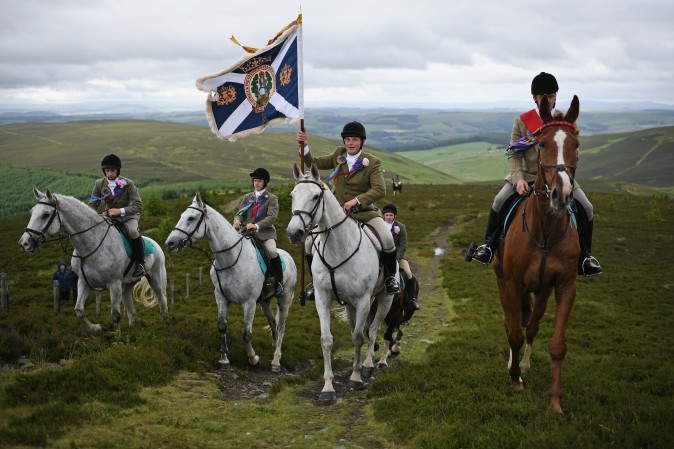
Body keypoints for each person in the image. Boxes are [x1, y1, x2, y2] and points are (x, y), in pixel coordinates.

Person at [466, 72, 603, 276]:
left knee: (588, 208)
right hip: (527, 177)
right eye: (541, 95)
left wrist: (563, 175)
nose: (546, 99)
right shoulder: (522, 122)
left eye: (550, 95)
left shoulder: (566, 123)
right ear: (534, 98)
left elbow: (573, 153)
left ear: (555, 96)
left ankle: (585, 257)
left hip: (558, 176)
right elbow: (513, 153)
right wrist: (518, 178)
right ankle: (488, 247)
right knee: (498, 201)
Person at [296, 121, 400, 294]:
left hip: (364, 213)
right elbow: (314, 163)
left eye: (355, 140)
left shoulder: (372, 162)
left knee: (387, 239)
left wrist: (357, 200)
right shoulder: (339, 155)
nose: (350, 143)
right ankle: (316, 283)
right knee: (308, 243)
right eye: (347, 139)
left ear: (362, 142)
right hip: (337, 213)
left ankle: (390, 279)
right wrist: (304, 145)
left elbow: (379, 190)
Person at [88, 154, 146, 278]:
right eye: (107, 170)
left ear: (118, 170)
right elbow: (92, 204)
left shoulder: (128, 184)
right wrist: (93, 216)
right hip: (109, 215)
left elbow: (138, 205)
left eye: (112, 170)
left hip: (128, 215)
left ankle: (141, 263)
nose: (110, 174)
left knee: (133, 231)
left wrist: (120, 211)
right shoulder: (99, 184)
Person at [233, 168, 284, 296]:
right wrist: (237, 221)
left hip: (265, 234)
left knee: (272, 251)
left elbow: (271, 217)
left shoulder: (272, 198)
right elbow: (240, 213)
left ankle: (278, 281)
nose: (256, 183)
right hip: (246, 233)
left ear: (265, 182)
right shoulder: (247, 197)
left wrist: (256, 226)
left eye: (259, 181)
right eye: (255, 181)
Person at [382, 203, 420, 310]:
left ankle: (412, 299)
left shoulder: (401, 227)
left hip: (397, 257)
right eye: (387, 215)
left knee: (408, 273)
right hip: (381, 256)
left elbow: (403, 245)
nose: (388, 217)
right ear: (383, 215)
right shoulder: (379, 226)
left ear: (395, 216)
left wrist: (395, 259)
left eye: (391, 215)